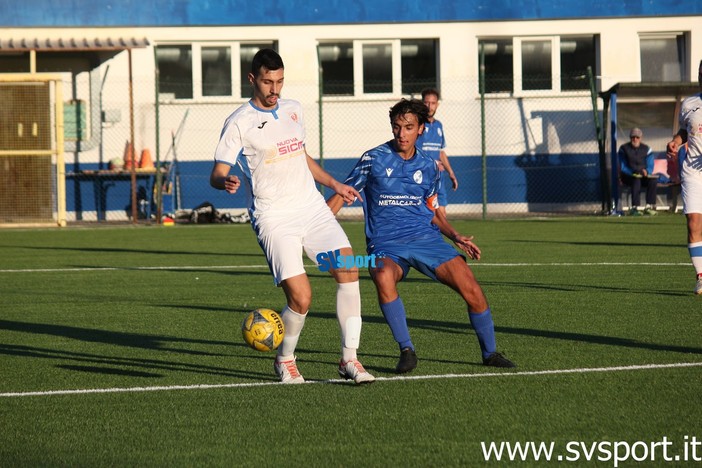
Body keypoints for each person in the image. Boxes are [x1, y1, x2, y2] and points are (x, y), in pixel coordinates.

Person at [210, 48, 375, 384]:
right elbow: (217, 171)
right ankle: (285, 359)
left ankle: (349, 361)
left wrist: (334, 184)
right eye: (268, 82)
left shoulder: (294, 110)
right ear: (252, 79)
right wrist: (223, 181)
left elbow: (302, 157)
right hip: (273, 216)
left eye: (280, 81)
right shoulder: (238, 122)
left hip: (311, 207)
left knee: (348, 268)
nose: (275, 89)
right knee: (301, 297)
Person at [328, 98, 515, 373]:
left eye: (408, 127)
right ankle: (406, 349)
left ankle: (490, 353)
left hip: (426, 240)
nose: (401, 133)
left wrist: (455, 235)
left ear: (421, 130)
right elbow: (341, 195)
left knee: (471, 287)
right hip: (386, 243)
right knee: (382, 274)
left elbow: (434, 212)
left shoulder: (429, 166)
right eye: (396, 127)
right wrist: (317, 226)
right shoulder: (373, 159)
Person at [666, 59, 702, 295]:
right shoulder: (689, 103)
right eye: (701, 72)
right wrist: (677, 142)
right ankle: (701, 276)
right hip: (693, 172)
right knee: (693, 223)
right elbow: (684, 130)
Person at [417, 88, 458, 218]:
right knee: (427, 216)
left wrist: (451, 173)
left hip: (438, 176)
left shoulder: (438, 125)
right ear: (422, 103)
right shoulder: (417, 124)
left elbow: (440, 152)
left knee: (442, 215)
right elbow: (412, 152)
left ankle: (439, 239)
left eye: (433, 103)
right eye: (426, 102)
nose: (429, 106)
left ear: (437, 104)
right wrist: (432, 163)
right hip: (421, 177)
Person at [619, 127, 658, 216]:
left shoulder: (647, 149)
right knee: (636, 180)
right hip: (628, 176)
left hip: (643, 176)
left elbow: (650, 164)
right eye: (633, 137)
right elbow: (623, 166)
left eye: (637, 137)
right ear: (630, 138)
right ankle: (634, 207)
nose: (635, 139)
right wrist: (634, 172)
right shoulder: (623, 149)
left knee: (653, 181)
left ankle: (649, 206)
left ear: (641, 138)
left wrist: (647, 171)